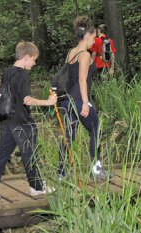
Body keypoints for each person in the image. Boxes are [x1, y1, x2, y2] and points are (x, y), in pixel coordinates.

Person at [0, 42, 57, 201]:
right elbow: (27, 100)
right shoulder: (23, 75)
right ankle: (37, 187)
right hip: (21, 121)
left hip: (6, 119)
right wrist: (48, 102)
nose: (34, 63)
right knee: (30, 153)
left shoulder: (8, 72)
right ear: (27, 57)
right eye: (34, 60)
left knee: (1, 153)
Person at [58, 16, 110, 181]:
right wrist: (86, 103)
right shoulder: (84, 54)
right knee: (95, 131)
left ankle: (62, 172)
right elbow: (82, 79)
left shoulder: (71, 52)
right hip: (79, 100)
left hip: (66, 100)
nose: (95, 38)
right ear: (88, 34)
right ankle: (96, 171)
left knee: (69, 135)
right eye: (94, 34)